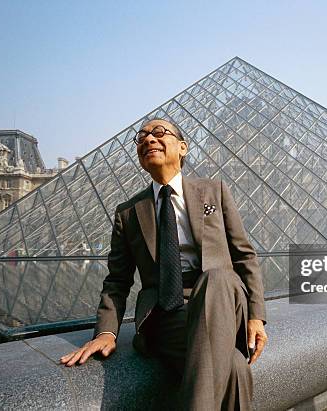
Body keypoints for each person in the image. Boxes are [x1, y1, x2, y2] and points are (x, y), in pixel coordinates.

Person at [60, 118, 268, 410]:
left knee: (217, 278)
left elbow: (244, 255)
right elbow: (117, 280)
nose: (148, 140)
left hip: (222, 301)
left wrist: (256, 316)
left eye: (159, 133)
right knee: (234, 367)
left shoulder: (215, 191)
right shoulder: (128, 213)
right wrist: (107, 331)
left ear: (182, 147)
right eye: (141, 137)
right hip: (167, 314)